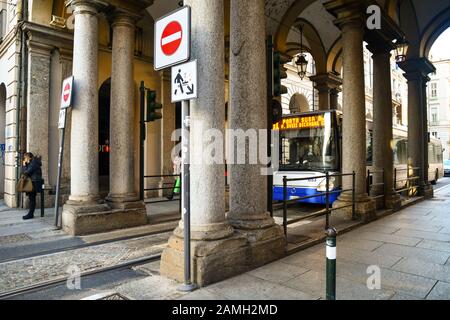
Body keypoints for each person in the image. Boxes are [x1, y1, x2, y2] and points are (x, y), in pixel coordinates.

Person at [21, 152, 43, 220]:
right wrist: (26, 164)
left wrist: (24, 165)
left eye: (25, 158)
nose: (24, 159)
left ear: (29, 157)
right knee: (31, 198)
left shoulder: (33, 163)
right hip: (33, 182)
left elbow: (26, 173)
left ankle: (30, 214)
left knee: (32, 198)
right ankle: (30, 213)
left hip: (34, 183)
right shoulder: (33, 162)